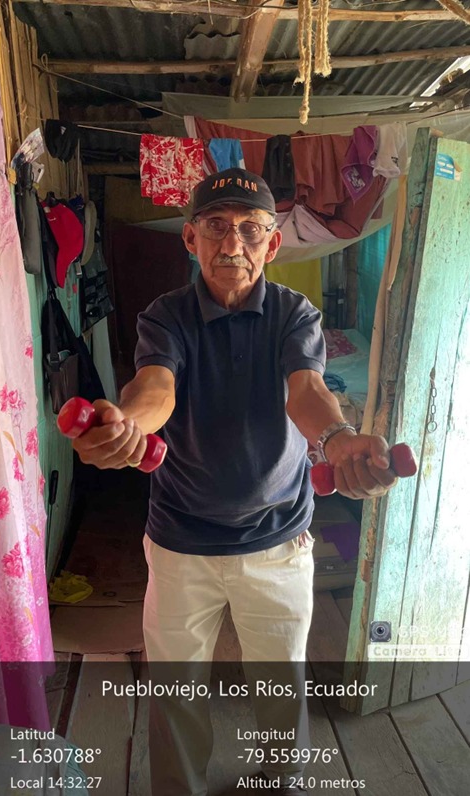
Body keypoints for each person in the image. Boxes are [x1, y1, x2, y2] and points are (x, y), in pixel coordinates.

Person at [72, 168, 397, 796]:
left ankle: (282, 780)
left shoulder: (294, 314)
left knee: (280, 686)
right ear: (190, 237)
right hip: (180, 542)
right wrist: (127, 426)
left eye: (251, 230)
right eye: (216, 226)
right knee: (175, 691)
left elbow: (307, 392)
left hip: (277, 541)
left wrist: (337, 440)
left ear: (272, 245)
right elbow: (157, 388)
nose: (232, 244)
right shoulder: (165, 316)